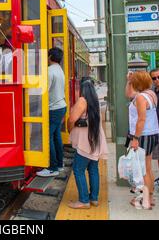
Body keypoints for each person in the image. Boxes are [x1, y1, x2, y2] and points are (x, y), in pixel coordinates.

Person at [67, 77, 109, 209]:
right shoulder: (95, 101)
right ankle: (94, 199)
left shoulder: (82, 100)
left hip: (85, 142)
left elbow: (72, 118)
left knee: (78, 169)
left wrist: (70, 125)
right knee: (93, 169)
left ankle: (84, 200)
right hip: (94, 139)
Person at [125, 71, 159, 210]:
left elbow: (141, 119)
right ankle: (150, 198)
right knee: (148, 168)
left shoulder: (140, 97)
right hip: (151, 134)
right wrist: (128, 80)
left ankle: (144, 201)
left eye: (133, 80)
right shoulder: (151, 94)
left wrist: (135, 138)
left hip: (142, 135)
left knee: (143, 170)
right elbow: (129, 94)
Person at [36, 48, 67, 177]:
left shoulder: (49, 71)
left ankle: (52, 167)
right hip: (61, 106)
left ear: (49, 56)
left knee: (47, 137)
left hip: (53, 108)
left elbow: (44, 91)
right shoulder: (60, 70)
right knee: (56, 136)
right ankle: (59, 164)